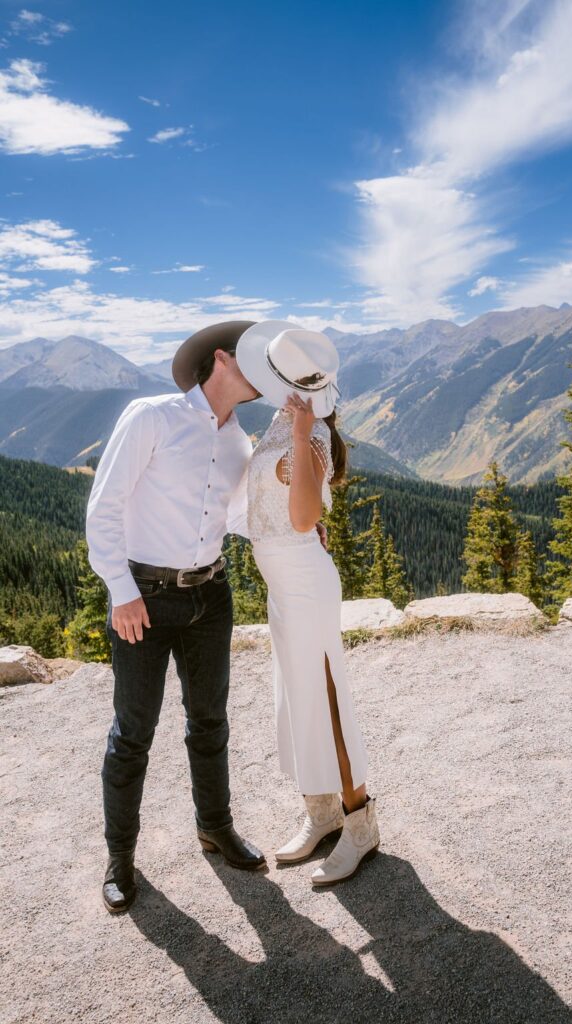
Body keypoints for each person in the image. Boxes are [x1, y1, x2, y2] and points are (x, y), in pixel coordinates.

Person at [86, 321, 270, 914]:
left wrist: (295, 526)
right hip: (143, 595)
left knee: (210, 720)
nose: (262, 375)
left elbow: (234, 518)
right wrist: (120, 589)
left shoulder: (240, 441)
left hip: (211, 595)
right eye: (252, 362)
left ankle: (214, 827)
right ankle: (120, 857)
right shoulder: (153, 417)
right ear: (221, 359)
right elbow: (104, 505)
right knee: (133, 731)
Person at [234, 320, 380, 885]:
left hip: (303, 582)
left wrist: (300, 437)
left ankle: (361, 823)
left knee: (325, 693)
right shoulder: (283, 421)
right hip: (283, 581)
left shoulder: (309, 433)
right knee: (295, 697)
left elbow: (302, 518)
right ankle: (322, 812)